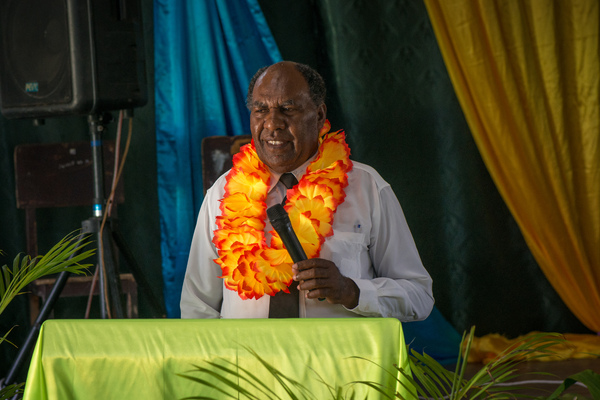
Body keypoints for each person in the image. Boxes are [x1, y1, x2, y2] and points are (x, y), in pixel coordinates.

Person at [181, 61, 434, 320]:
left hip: (337, 360)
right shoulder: (222, 193)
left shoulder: (367, 187)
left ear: (320, 115)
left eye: (287, 109)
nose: (272, 124)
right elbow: (197, 306)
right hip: (242, 360)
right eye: (260, 110)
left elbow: (419, 296)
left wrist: (351, 291)